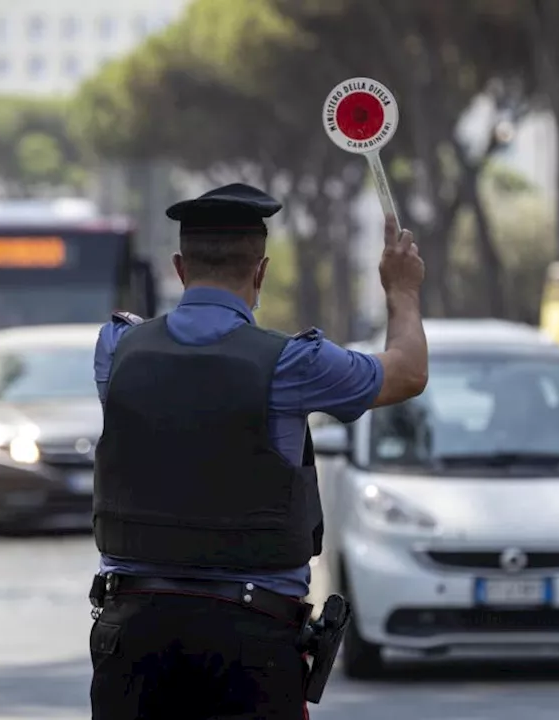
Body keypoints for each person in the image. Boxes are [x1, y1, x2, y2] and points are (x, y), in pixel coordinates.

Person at [89, 183, 428, 719]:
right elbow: (407, 372)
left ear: (180, 268)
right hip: (249, 643)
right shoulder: (294, 365)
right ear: (261, 272)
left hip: (132, 635)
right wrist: (402, 291)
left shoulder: (116, 350)